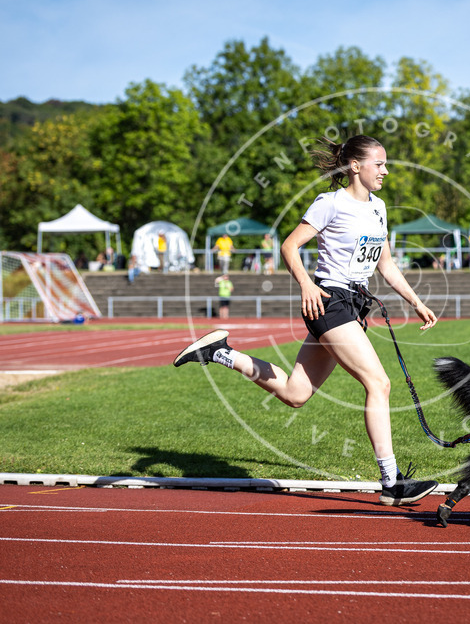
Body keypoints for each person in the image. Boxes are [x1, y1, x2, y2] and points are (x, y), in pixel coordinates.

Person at [174, 134, 439, 507]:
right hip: (329, 301)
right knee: (378, 383)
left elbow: (386, 263)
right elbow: (288, 245)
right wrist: (306, 285)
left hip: (355, 303)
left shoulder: (379, 207)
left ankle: (220, 353)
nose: (385, 170)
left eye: (385, 164)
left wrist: (415, 301)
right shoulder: (329, 203)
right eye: (379, 164)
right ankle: (391, 481)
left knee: (295, 394)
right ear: (355, 166)